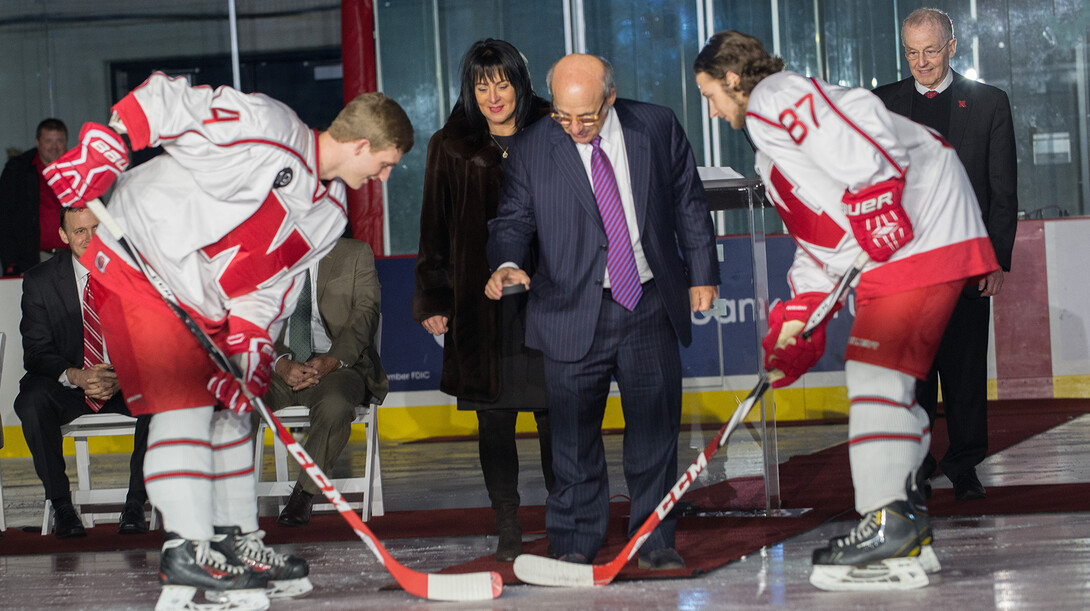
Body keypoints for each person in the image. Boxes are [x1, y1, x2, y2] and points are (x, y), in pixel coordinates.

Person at [43, 71, 413, 610]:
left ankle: (238, 542)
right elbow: (172, 101)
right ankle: (187, 552)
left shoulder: (328, 217)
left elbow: (270, 287)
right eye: (383, 163)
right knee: (185, 406)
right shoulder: (269, 125)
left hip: (204, 299)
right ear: (361, 144)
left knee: (235, 413)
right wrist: (110, 144)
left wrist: (251, 345)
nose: (381, 176)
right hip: (138, 262)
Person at [693, 31, 998, 589]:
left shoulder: (773, 98)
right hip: (913, 238)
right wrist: (797, 323)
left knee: (877, 372)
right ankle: (905, 523)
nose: (712, 112)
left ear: (733, 79)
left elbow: (860, 117)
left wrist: (877, 196)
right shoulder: (771, 156)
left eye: (710, 95)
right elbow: (825, 246)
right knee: (884, 376)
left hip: (924, 227)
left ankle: (889, 526)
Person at [485, 54, 719, 570]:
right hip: (569, 307)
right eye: (563, 117)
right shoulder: (531, 147)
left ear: (610, 97)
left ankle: (654, 544)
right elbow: (512, 221)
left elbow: (687, 199)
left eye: (585, 117)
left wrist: (702, 271)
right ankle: (573, 541)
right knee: (571, 440)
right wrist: (505, 261)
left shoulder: (654, 124)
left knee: (655, 434)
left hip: (648, 303)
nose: (574, 128)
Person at [414, 38, 555, 562]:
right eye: (482, 85)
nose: (494, 96)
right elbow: (435, 230)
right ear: (469, 91)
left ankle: (564, 516)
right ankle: (508, 522)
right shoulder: (449, 144)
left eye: (502, 82)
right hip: (479, 309)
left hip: (548, 299)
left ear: (520, 81)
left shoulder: (552, 130)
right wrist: (434, 297)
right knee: (494, 421)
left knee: (555, 418)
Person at [873, 7, 1018, 502]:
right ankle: (915, 469)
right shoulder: (883, 103)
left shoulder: (989, 104)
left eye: (931, 51)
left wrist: (997, 258)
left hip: (966, 263)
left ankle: (964, 465)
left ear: (952, 47)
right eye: (912, 52)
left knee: (964, 372)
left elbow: (1002, 189)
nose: (922, 62)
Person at [15, 206, 151, 538]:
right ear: (63, 236)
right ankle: (61, 506)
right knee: (31, 401)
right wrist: (77, 376)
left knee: (165, 396)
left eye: (96, 228)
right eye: (79, 231)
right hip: (70, 386)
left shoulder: (133, 272)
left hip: (125, 382)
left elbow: (152, 340)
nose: (90, 239)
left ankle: (136, 505)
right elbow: (36, 352)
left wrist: (120, 378)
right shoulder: (39, 280)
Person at [266, 237, 388, 527]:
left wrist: (333, 359)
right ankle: (228, 502)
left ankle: (303, 494)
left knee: (334, 406)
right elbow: (253, 318)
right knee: (239, 403)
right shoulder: (268, 253)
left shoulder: (355, 252)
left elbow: (366, 315)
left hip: (339, 367)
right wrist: (280, 363)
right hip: (280, 366)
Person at [0, 118, 70, 276]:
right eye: (48, 141)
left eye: (59, 140)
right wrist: (10, 262)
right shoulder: (18, 172)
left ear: (66, 143)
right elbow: (5, 219)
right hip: (32, 260)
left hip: (72, 258)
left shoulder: (78, 172)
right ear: (37, 142)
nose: (54, 146)